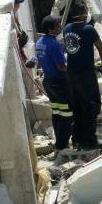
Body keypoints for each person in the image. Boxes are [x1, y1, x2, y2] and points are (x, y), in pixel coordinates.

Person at [64, 2, 102, 151]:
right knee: (91, 106)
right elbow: (101, 49)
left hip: (71, 75)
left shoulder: (67, 28)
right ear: (84, 13)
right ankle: (90, 141)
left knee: (77, 107)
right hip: (86, 75)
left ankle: (77, 139)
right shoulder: (89, 29)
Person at [35, 15, 73, 151]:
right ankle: (62, 145)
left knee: (57, 112)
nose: (61, 27)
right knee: (66, 114)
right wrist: (74, 68)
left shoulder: (40, 42)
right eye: (58, 25)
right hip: (59, 82)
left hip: (48, 81)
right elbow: (61, 66)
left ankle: (59, 142)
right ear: (51, 29)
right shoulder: (53, 44)